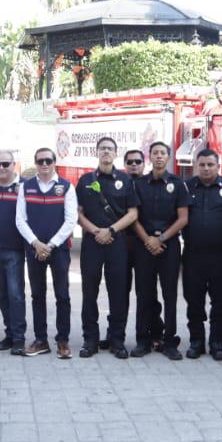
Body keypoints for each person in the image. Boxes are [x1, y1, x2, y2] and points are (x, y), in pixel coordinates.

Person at [76, 137, 140, 359]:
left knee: (118, 293)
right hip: (92, 242)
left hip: (117, 243)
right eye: (102, 148)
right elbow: (78, 213)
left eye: (109, 149)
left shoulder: (125, 180)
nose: (106, 152)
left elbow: (133, 213)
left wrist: (110, 230)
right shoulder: (85, 180)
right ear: (96, 152)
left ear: (115, 153)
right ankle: (90, 340)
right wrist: (95, 231)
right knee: (89, 292)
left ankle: (117, 340)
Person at [16, 147, 77, 359]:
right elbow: (20, 220)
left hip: (58, 250)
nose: (44, 165)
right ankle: (41, 340)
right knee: (37, 295)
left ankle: (63, 340)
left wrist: (49, 245)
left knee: (62, 295)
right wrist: (36, 244)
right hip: (34, 250)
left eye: (48, 161)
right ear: (35, 163)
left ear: (54, 163)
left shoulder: (66, 187)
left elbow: (71, 221)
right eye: (40, 161)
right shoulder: (26, 187)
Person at [131, 141, 188, 360]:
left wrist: (161, 238)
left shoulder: (178, 183)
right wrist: (148, 240)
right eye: (154, 153)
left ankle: (169, 340)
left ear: (168, 157)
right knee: (144, 294)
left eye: (162, 153)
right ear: (149, 157)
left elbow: (183, 218)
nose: (158, 156)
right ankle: (142, 340)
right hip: (143, 245)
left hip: (169, 245)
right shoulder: (139, 184)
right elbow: (133, 216)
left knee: (169, 294)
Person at [182, 149, 222, 361]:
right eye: (202, 165)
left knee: (221, 301)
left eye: (210, 165)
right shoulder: (186, 187)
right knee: (194, 300)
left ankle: (217, 341)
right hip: (193, 254)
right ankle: (196, 341)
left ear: (219, 165)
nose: (206, 168)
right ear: (197, 166)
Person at [0, 151, 27, 353]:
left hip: (16, 250)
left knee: (16, 294)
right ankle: (9, 334)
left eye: (5, 164)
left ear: (13, 165)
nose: (1, 168)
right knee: (1, 294)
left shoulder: (25, 187)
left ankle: (19, 338)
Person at [122, 149, 147, 302]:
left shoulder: (150, 184)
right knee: (122, 289)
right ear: (124, 165)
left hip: (143, 243)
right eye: (130, 162)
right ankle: (119, 325)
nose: (133, 165)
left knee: (145, 290)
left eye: (138, 161)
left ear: (144, 164)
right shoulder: (119, 183)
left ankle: (153, 323)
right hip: (122, 243)